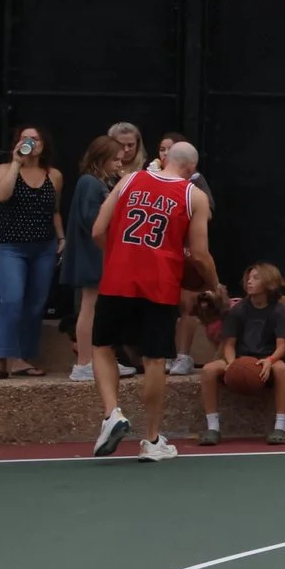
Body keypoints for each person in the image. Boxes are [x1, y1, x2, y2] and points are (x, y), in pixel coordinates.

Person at [87, 139, 215, 461]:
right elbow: (199, 254)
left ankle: (112, 413)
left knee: (102, 346)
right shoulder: (194, 195)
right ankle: (152, 439)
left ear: (166, 159)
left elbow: (98, 230)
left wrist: (118, 257)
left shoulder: (129, 179)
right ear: (192, 169)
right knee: (154, 360)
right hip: (160, 284)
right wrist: (214, 284)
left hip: (118, 277)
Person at [0, 123, 64, 379]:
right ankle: (1, 359)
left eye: (35, 139)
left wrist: (61, 237)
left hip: (44, 246)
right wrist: (16, 163)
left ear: (43, 145)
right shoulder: (4, 170)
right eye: (24, 138)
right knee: (12, 299)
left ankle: (24, 357)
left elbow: (54, 210)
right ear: (16, 143)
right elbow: (0, 196)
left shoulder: (53, 175)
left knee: (35, 304)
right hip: (10, 246)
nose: (31, 143)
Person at [199, 262, 285, 444]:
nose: (250, 282)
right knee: (208, 370)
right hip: (240, 357)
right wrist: (232, 364)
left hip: (267, 358)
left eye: (256, 278)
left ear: (269, 282)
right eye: (249, 278)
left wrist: (270, 360)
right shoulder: (238, 310)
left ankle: (280, 425)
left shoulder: (279, 310)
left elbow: (282, 345)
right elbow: (229, 345)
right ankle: (212, 427)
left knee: (282, 369)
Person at [63, 136, 133, 383]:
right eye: (114, 159)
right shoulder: (90, 183)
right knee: (90, 307)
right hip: (92, 253)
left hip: (95, 253)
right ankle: (84, 361)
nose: (118, 164)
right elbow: (92, 219)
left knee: (96, 307)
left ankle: (98, 359)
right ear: (101, 159)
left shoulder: (96, 182)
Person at [158, 132, 218, 377]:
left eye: (169, 149)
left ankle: (182, 355)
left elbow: (208, 213)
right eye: (161, 149)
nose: (165, 154)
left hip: (185, 250)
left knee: (187, 303)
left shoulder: (195, 183)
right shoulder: (148, 177)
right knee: (160, 306)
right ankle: (160, 354)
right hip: (158, 252)